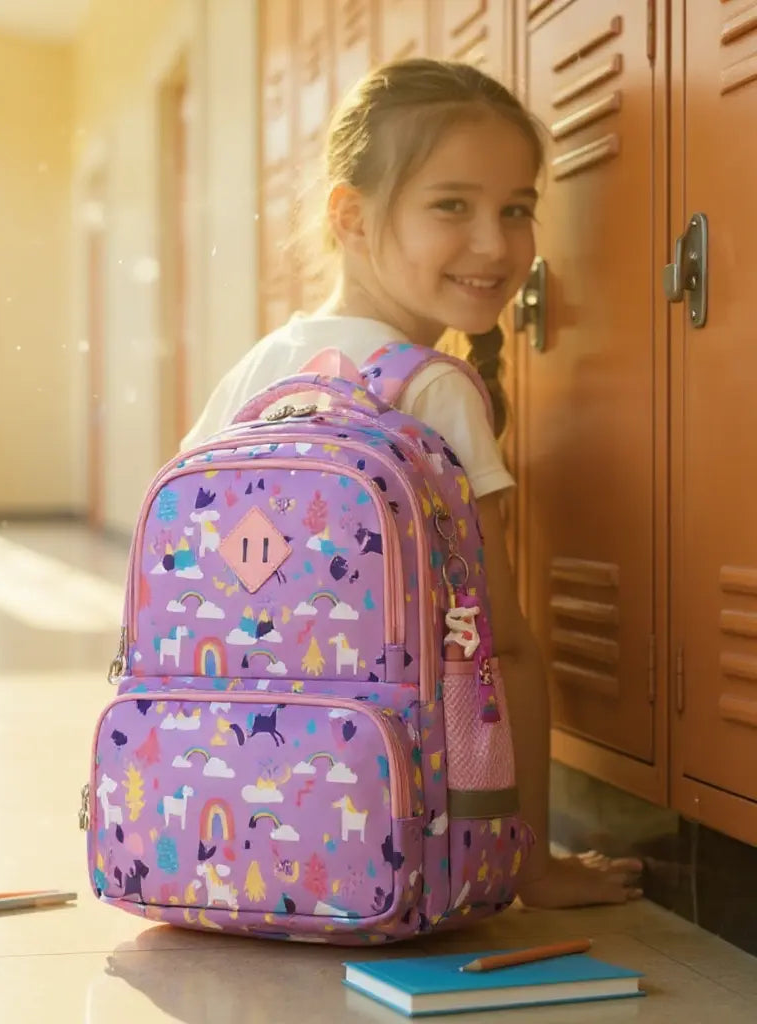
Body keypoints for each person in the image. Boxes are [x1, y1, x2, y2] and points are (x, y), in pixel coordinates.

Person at [181, 59, 642, 908]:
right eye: (451, 206)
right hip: (391, 824)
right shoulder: (429, 388)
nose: (495, 245)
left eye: (516, 209)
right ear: (350, 217)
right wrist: (530, 867)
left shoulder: (265, 365)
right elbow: (501, 647)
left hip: (242, 809)